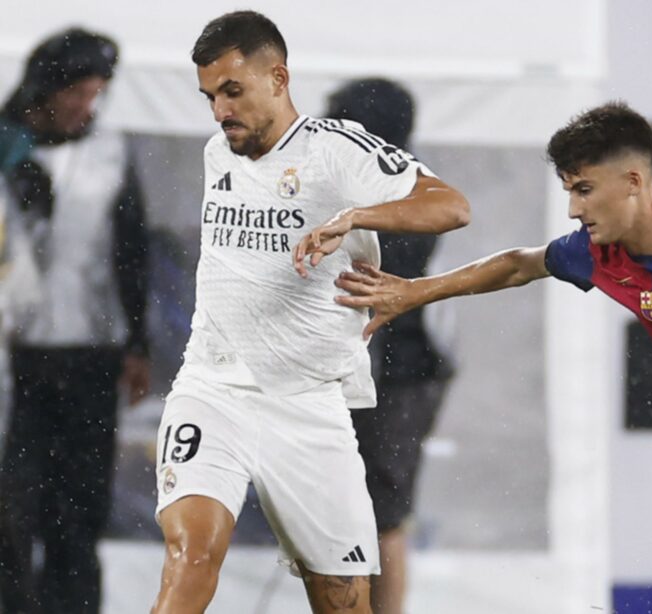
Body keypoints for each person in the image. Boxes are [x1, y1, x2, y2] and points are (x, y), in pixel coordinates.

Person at [304, 102, 652, 614]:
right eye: (569, 190)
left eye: (584, 190)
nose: (573, 208)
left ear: (634, 182)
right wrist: (415, 291)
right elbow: (519, 263)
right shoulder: (602, 253)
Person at [151, 11, 469, 614]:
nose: (220, 111)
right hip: (212, 388)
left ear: (279, 77)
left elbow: (451, 206)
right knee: (191, 555)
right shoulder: (218, 152)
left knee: (345, 601)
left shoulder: (339, 151)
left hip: (308, 404)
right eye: (210, 96)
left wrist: (355, 215)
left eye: (233, 91)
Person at [0, 28, 150, 614]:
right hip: (17, 356)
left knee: (79, 506)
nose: (85, 107)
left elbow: (132, 250)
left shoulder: (109, 153)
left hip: (90, 350)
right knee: (13, 504)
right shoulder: (9, 147)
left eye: (96, 94)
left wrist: (138, 344)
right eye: (77, 93)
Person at [326, 78, 455, 614]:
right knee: (350, 513)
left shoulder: (408, 194)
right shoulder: (393, 187)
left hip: (397, 372)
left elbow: (370, 275)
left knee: (382, 514)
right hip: (380, 366)